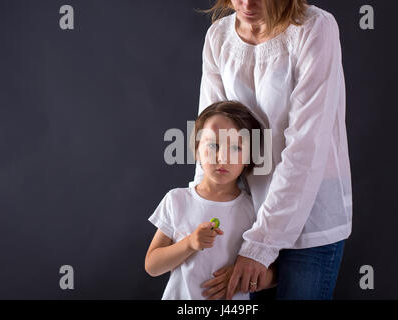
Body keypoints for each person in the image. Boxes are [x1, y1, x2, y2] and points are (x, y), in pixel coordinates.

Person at [192, 0, 353, 300]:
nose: (247, 3)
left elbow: (306, 145)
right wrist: (200, 211)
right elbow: (210, 139)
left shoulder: (315, 28)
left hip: (309, 220)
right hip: (246, 218)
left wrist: (261, 244)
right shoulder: (218, 37)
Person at [145, 101, 276, 300]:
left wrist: (240, 276)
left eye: (236, 148)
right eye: (213, 145)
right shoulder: (177, 200)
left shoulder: (255, 209)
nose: (222, 157)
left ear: (249, 157)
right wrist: (189, 243)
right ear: (197, 149)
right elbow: (152, 266)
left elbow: (275, 274)